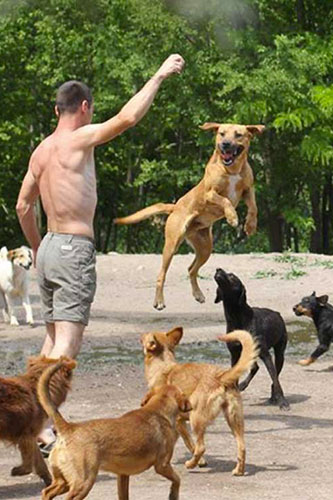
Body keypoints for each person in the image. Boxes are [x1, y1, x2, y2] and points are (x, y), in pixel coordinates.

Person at [15, 53, 185, 447]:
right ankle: (42, 427)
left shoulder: (40, 152)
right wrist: (159, 75)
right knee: (65, 349)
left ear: (57, 109)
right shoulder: (80, 138)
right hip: (74, 248)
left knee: (50, 341)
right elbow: (127, 119)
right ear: (85, 108)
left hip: (51, 247)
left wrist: (39, 248)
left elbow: (24, 206)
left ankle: (28, 418)